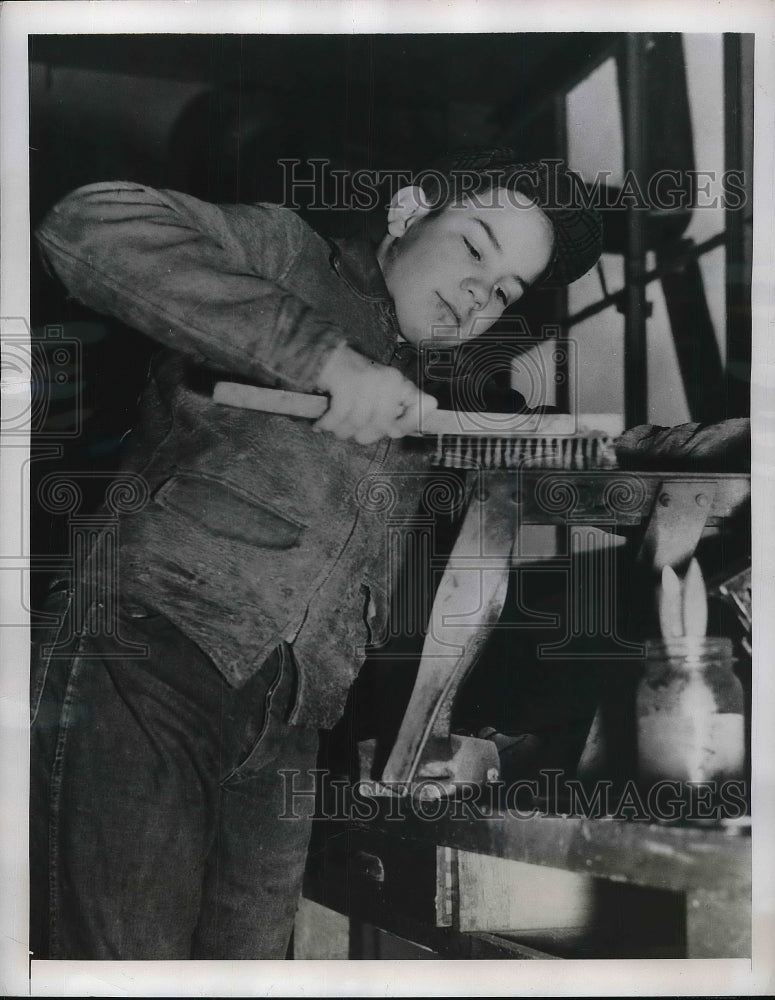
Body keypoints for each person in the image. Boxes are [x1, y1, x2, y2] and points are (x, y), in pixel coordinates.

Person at [30, 148, 602, 959]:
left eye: (505, 290)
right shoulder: (287, 252)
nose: (481, 292)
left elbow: (534, 470)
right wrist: (324, 360)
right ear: (408, 212)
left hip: (291, 720)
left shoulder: (426, 393)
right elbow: (87, 222)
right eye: (475, 247)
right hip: (148, 655)